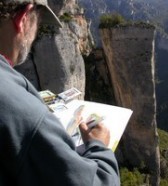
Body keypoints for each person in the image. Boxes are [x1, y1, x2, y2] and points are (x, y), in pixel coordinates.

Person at [0, 0, 120, 185]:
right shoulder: (26, 116)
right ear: (23, 19)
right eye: (38, 23)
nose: (36, 35)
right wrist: (99, 147)